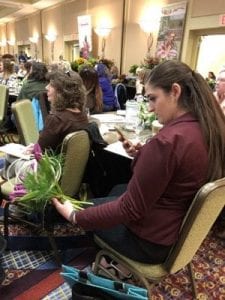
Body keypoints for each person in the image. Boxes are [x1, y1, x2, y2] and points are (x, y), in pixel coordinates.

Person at [52, 60, 225, 265]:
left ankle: (111, 267)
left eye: (153, 99)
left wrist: (75, 217)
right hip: (176, 230)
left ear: (175, 92)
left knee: (88, 208)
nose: (150, 109)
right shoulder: (209, 127)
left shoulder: (168, 141)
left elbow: (130, 209)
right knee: (115, 191)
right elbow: (180, 170)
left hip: (150, 241)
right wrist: (143, 154)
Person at [38, 70, 89, 152]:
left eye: (51, 85)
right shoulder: (82, 115)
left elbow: (39, 152)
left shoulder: (56, 119)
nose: (46, 87)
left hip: (52, 163)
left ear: (61, 92)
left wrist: (34, 148)